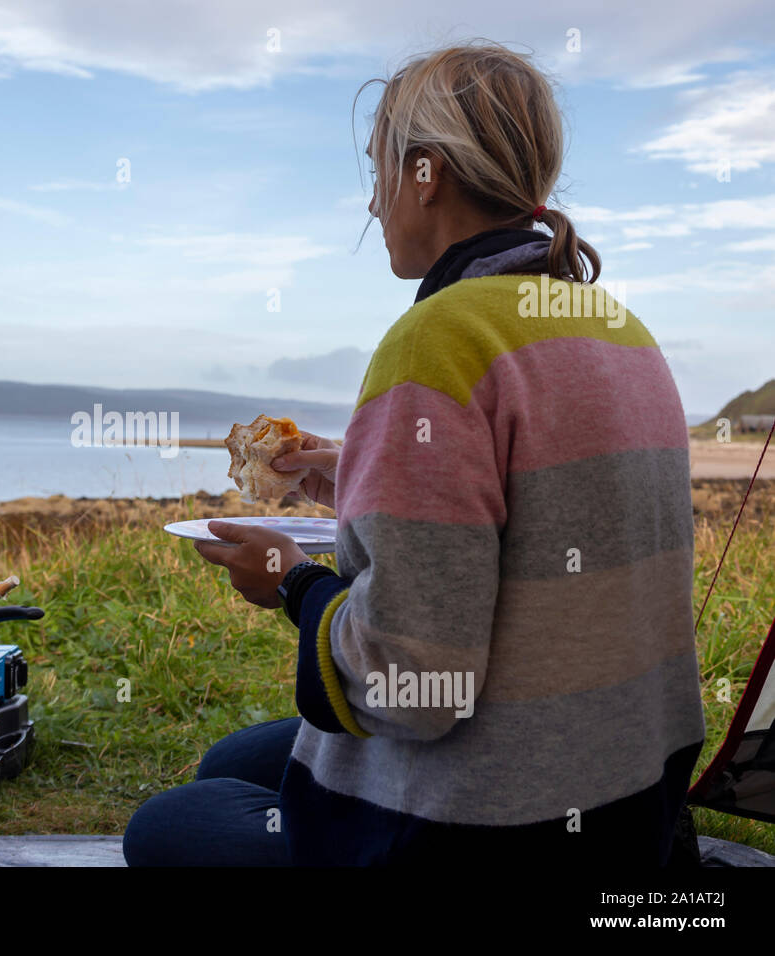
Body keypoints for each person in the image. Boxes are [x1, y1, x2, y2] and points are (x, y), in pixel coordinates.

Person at [123, 41, 705, 866]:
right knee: (235, 763)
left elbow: (416, 683)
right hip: (626, 790)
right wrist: (357, 479)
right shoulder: (614, 325)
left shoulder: (437, 341)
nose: (371, 204)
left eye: (379, 171)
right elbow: (533, 520)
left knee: (168, 824)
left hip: (499, 827)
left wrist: (294, 584)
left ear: (426, 173)